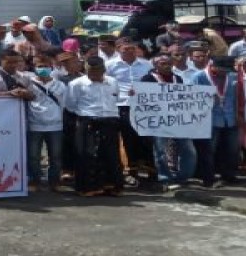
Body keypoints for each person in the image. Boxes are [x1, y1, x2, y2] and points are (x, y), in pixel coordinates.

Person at [136, 54, 197, 192]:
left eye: (169, 62)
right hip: (158, 120)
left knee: (188, 149)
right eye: (163, 63)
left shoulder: (178, 78)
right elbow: (142, 98)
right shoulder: (147, 79)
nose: (167, 65)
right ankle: (165, 178)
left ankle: (183, 177)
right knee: (160, 151)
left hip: (178, 119)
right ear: (156, 65)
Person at [66, 57, 122, 196]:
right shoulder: (76, 84)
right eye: (91, 72)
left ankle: (111, 185)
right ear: (86, 70)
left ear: (103, 70)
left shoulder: (113, 82)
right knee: (86, 154)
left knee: (110, 155)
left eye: (97, 72)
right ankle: (87, 187)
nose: (94, 75)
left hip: (109, 120)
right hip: (88, 120)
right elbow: (70, 105)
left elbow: (116, 99)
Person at [106, 39, 153, 182]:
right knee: (128, 138)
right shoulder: (110, 65)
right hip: (123, 104)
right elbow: (106, 83)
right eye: (125, 49)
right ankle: (132, 170)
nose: (129, 51)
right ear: (118, 49)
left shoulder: (147, 64)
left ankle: (149, 169)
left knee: (146, 138)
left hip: (144, 105)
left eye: (132, 48)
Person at [192, 56, 241, 187]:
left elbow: (237, 98)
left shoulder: (233, 77)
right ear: (212, 64)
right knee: (209, 150)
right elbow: (191, 97)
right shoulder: (199, 77)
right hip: (209, 119)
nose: (224, 72)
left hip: (230, 118)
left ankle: (229, 175)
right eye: (222, 69)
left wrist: (239, 115)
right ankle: (208, 177)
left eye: (227, 69)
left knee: (232, 149)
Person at [24, 59, 67, 192]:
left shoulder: (60, 85)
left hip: (55, 126)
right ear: (34, 68)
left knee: (55, 156)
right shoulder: (28, 84)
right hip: (34, 125)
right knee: (33, 156)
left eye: (45, 66)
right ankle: (35, 181)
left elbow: (65, 105)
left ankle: (54, 182)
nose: (43, 68)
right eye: (39, 66)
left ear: (51, 67)